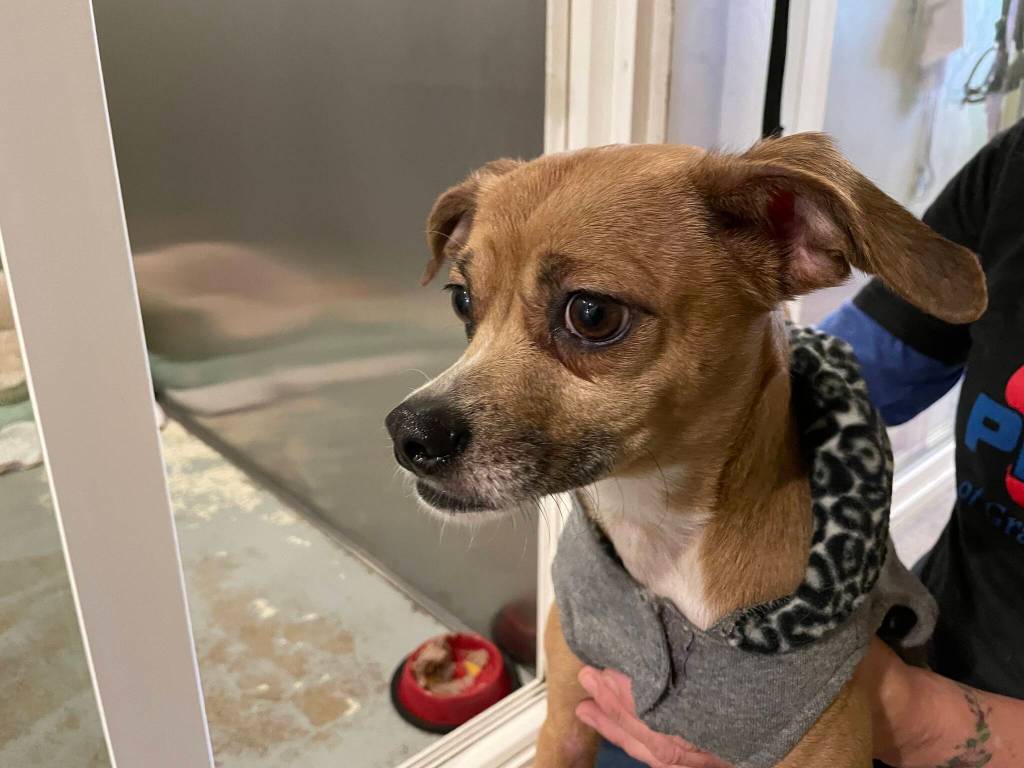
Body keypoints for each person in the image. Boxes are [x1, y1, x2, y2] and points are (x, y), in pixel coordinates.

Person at [576, 119, 1024, 767]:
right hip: (925, 637)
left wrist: (903, 714)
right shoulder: (1014, 168)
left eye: (594, 316)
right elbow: (849, 368)